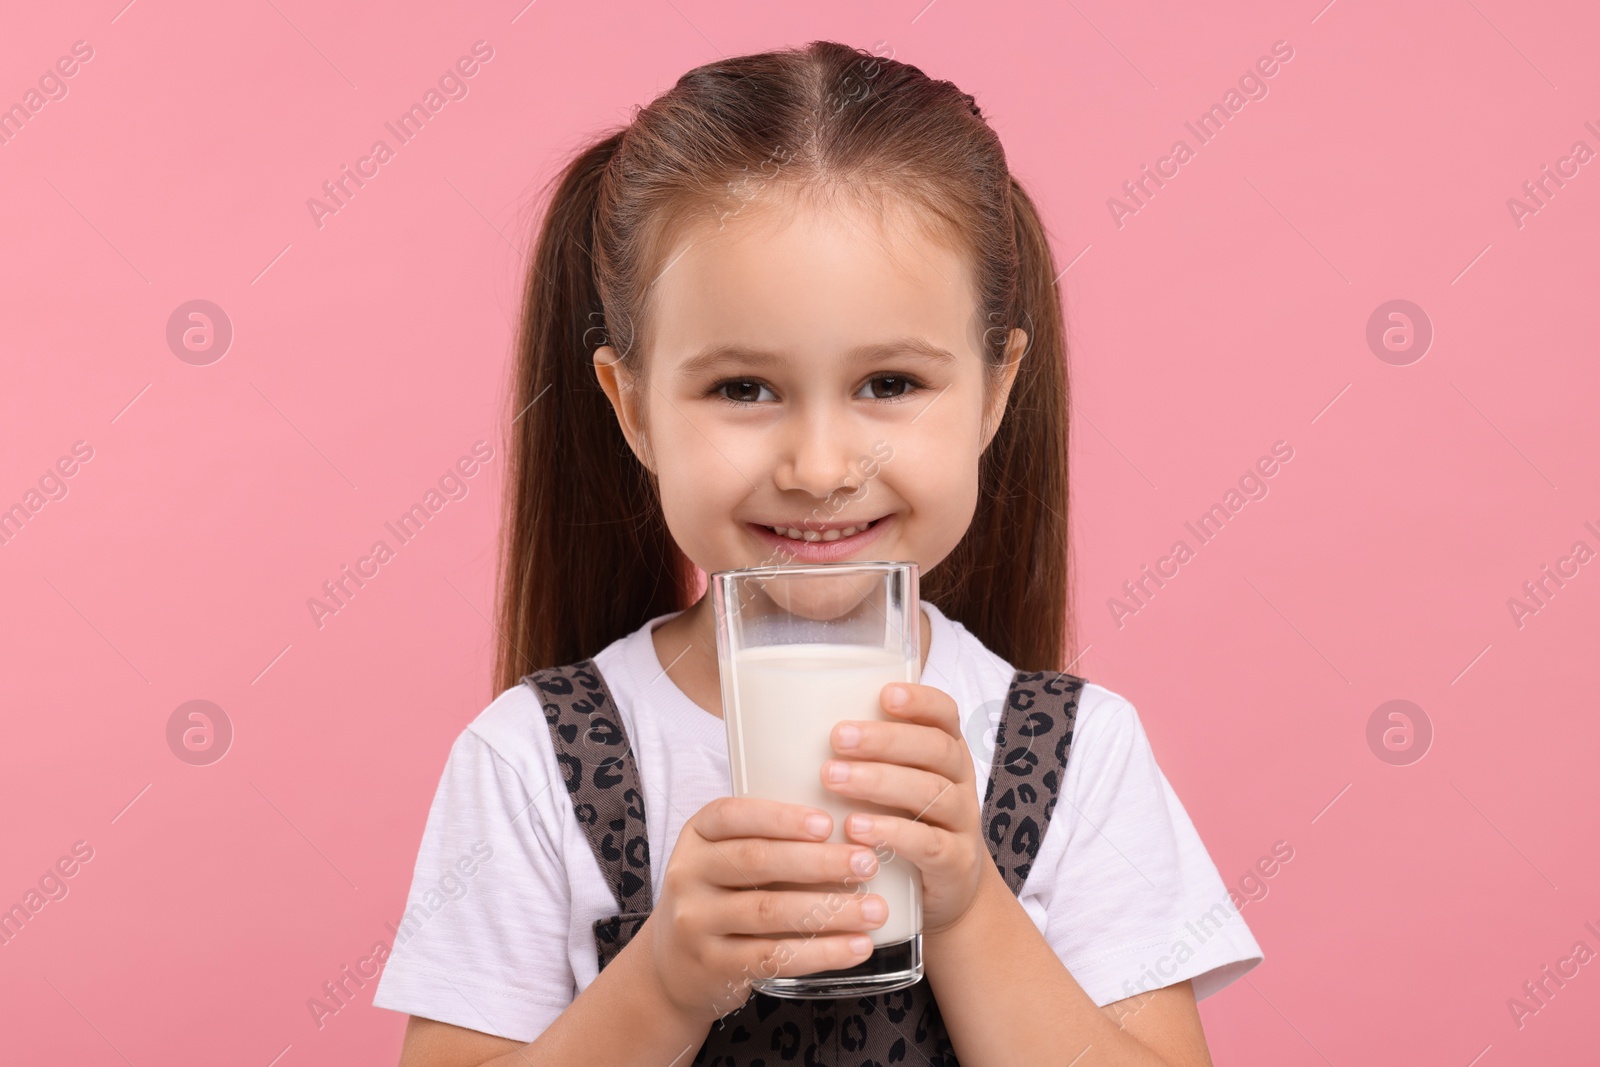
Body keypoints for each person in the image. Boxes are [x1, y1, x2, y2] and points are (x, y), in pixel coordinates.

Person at [373, 39, 1262, 1066]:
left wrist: (969, 902)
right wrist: (662, 978)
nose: (819, 463)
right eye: (742, 388)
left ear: (994, 392)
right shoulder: (535, 761)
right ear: (634, 409)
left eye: (889, 382)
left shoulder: (1075, 756)